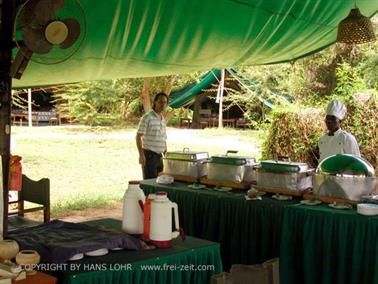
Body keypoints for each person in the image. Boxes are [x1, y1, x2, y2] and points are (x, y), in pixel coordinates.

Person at [136, 92, 169, 179]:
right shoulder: (147, 117)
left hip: (160, 156)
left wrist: (166, 154)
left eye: (165, 103)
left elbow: (163, 138)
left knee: (160, 183)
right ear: (155, 102)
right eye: (160, 102)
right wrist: (141, 155)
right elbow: (138, 136)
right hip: (149, 156)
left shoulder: (163, 119)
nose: (163, 105)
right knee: (150, 183)